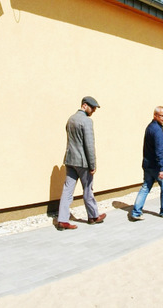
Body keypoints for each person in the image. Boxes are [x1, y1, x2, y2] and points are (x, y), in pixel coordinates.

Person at [56, 96, 106, 230]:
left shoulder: (70, 119)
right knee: (88, 189)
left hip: (70, 160)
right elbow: (89, 145)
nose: (94, 110)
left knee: (67, 190)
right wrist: (93, 165)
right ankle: (93, 216)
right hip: (83, 162)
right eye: (93, 107)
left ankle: (62, 220)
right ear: (85, 105)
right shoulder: (87, 121)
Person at [130, 106, 163, 221]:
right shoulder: (157, 130)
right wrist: (161, 168)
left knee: (145, 187)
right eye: (162, 115)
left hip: (147, 165)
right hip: (157, 166)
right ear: (155, 116)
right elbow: (159, 151)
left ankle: (136, 212)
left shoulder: (150, 127)